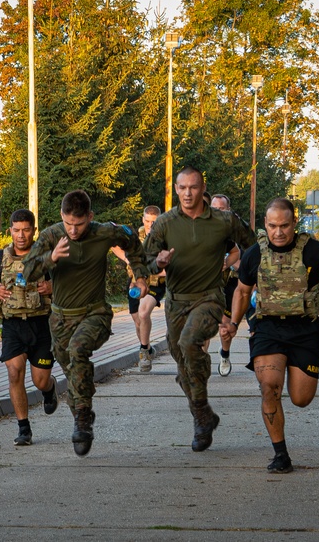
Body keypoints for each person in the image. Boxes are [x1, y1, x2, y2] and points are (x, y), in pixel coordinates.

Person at [222, 198, 319, 473]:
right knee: (269, 386)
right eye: (273, 226)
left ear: (294, 223)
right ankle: (280, 454)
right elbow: (243, 291)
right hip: (267, 328)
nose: (279, 232)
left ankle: (283, 439)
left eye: (284, 225)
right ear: (265, 225)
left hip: (306, 329)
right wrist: (234, 323)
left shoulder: (314, 251)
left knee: (300, 399)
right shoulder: (254, 254)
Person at [23, 190, 149, 456]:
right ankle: (83, 413)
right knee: (72, 373)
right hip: (59, 319)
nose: (73, 230)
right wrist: (51, 258)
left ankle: (81, 421)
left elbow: (133, 241)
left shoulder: (104, 232)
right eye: (69, 223)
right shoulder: (51, 235)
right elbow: (26, 273)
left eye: (79, 224)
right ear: (62, 216)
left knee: (78, 350)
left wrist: (140, 275)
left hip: (95, 314)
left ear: (90, 217)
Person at [143, 167, 255, 452]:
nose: (188, 193)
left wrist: (249, 281)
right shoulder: (165, 223)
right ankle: (204, 415)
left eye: (193, 187)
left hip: (210, 297)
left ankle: (201, 415)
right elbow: (143, 261)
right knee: (183, 369)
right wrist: (159, 263)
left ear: (202, 187)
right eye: (182, 188)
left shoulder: (224, 220)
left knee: (190, 342)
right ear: (176, 189)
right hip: (176, 300)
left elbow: (252, 247)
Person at [0, 209, 58, 446]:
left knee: (40, 380)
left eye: (25, 230)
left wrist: (52, 287)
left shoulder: (46, 257)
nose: (21, 235)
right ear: (10, 230)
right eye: (16, 230)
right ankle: (24, 428)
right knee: (14, 372)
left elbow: (66, 282)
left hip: (41, 325)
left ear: (34, 230)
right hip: (12, 325)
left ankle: (49, 389)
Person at [112, 205, 165, 372]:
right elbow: (114, 246)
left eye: (153, 221)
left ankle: (143, 353)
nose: (150, 225)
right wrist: (129, 261)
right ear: (143, 220)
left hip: (156, 282)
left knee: (143, 312)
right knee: (137, 320)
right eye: (147, 221)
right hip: (135, 281)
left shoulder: (165, 237)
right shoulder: (135, 235)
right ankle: (148, 348)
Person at [210, 193, 242, 377]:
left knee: (225, 327)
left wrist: (227, 263)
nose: (217, 212)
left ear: (228, 210)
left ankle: (224, 355)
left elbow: (244, 263)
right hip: (207, 284)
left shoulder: (237, 232)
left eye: (221, 209)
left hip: (231, 284)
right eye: (214, 209)